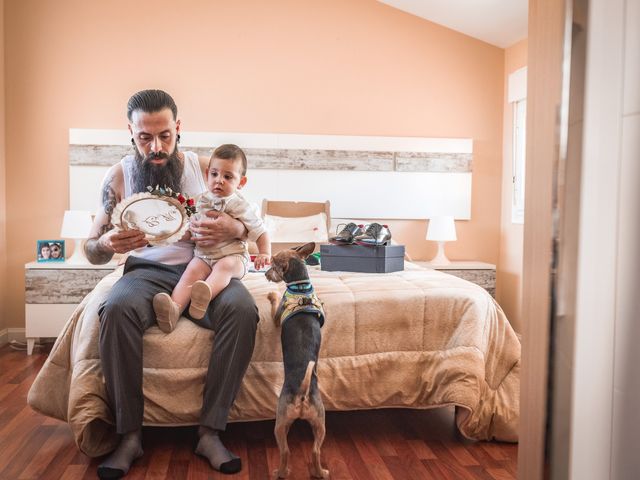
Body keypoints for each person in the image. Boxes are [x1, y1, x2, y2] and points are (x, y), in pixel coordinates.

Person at [84, 89, 258, 479]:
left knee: (244, 310)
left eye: (165, 135)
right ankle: (129, 435)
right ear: (130, 132)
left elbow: (249, 218)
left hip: (205, 268)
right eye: (145, 137)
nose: (156, 146)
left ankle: (210, 431)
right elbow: (91, 248)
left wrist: (236, 227)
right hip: (145, 272)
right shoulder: (117, 177)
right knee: (115, 309)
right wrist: (106, 243)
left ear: (178, 128)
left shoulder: (205, 168)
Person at [153, 144, 271, 333]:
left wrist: (265, 252)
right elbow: (188, 224)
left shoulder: (239, 205)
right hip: (204, 256)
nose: (219, 181)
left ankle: (203, 297)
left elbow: (260, 230)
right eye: (214, 174)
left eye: (228, 176)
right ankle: (173, 309)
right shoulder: (199, 200)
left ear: (241, 182)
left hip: (233, 257)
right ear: (207, 174)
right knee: (190, 272)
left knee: (224, 267)